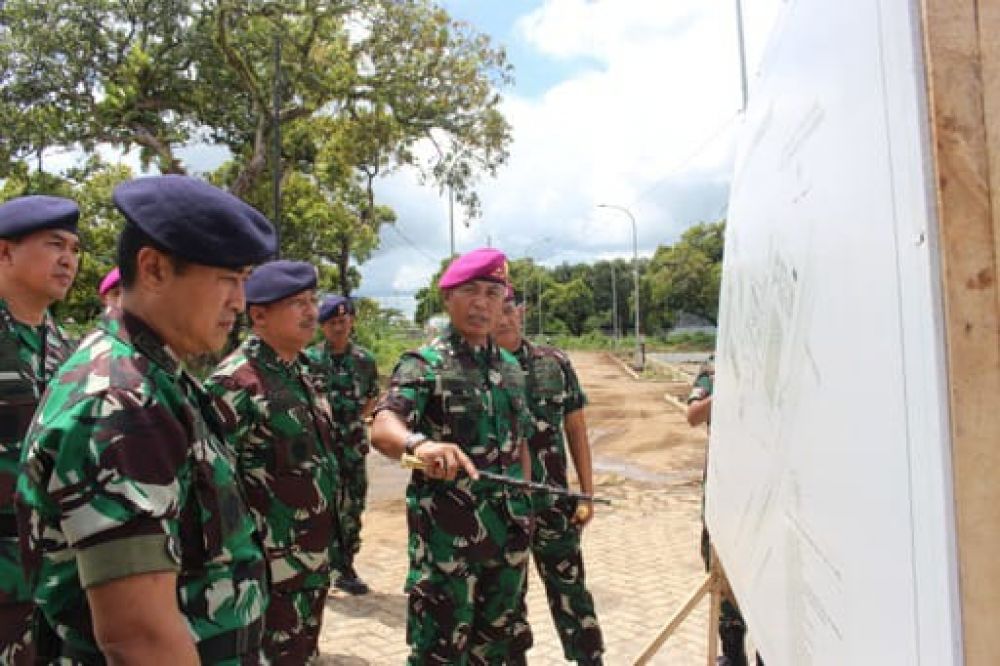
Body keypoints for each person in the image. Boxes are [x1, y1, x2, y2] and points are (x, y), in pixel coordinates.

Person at [16, 175, 275, 664]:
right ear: (153, 269)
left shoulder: (155, 374)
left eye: (243, 280)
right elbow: (139, 638)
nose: (239, 303)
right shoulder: (119, 399)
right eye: (227, 279)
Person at [369, 247, 535, 665]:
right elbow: (384, 427)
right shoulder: (424, 364)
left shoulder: (512, 369)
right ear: (448, 298)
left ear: (504, 304)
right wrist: (420, 447)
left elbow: (521, 446)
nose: (482, 303)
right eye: (471, 291)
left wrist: (528, 509)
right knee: (440, 653)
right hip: (448, 547)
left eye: (493, 294)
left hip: (508, 540)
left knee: (501, 649)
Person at [206, 259, 341, 664]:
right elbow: (213, 486)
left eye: (312, 300)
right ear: (259, 314)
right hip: (265, 569)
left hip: (309, 559)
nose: (310, 311)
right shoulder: (235, 383)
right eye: (296, 303)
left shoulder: (304, 371)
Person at [494, 289, 605, 666]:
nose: (505, 318)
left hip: (554, 503)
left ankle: (590, 659)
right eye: (498, 311)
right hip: (501, 509)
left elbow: (576, 428)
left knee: (572, 593)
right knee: (507, 601)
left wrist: (587, 494)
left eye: (511, 310)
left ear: (521, 312)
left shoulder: (553, 362)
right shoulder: (480, 370)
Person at [0, 195, 80, 665]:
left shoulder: (67, 350)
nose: (68, 259)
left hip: (55, 584)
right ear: (5, 253)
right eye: (54, 245)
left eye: (73, 249)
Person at [687, 357, 763, 666]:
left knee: (764, 566)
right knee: (721, 564)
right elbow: (692, 415)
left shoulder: (772, 367)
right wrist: (728, 391)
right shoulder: (713, 370)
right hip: (724, 490)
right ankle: (732, 652)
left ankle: (766, 651)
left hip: (763, 491)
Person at [306, 295, 378, 596]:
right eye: (333, 322)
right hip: (319, 449)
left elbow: (373, 396)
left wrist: (352, 422)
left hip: (352, 447)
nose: (340, 327)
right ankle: (319, 566)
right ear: (323, 326)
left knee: (352, 507)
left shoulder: (364, 360)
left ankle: (345, 566)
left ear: (352, 322)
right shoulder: (307, 360)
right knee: (319, 507)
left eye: (344, 321)